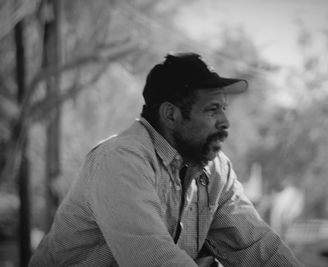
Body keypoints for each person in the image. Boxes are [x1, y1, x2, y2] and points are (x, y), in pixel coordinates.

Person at [29, 52, 302, 266]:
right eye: (212, 109)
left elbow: (256, 248)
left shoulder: (215, 168)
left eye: (224, 109)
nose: (225, 122)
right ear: (171, 115)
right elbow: (155, 260)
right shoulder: (120, 161)